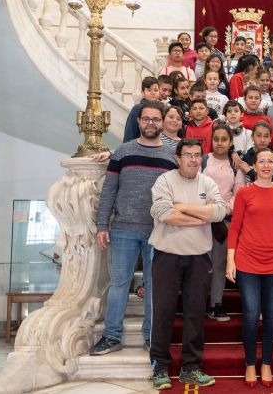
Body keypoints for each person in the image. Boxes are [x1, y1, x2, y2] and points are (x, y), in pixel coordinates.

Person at [91, 102, 177, 356]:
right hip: (123, 230)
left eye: (155, 119)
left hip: (158, 232)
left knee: (154, 287)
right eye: (146, 119)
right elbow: (109, 190)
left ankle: (152, 336)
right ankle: (111, 336)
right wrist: (101, 225)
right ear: (138, 122)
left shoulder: (171, 157)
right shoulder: (122, 152)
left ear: (162, 123)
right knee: (119, 284)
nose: (151, 123)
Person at [149, 138, 228, 390]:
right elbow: (166, 215)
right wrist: (200, 216)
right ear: (178, 157)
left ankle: (190, 367)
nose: (194, 159)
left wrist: (182, 207)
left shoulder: (207, 182)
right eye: (188, 155)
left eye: (197, 155)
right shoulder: (165, 181)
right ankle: (160, 366)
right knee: (163, 312)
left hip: (199, 257)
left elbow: (219, 212)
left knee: (195, 313)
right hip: (167, 256)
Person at [226, 148, 273, 388]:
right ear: (254, 165)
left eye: (270, 161)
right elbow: (234, 228)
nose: (266, 165)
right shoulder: (245, 193)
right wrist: (230, 260)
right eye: (261, 161)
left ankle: (266, 362)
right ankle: (249, 363)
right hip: (247, 261)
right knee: (251, 315)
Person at [201, 125, 246, 322]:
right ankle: (198, 302)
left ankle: (215, 304)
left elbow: (239, 193)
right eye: (216, 139)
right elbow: (196, 185)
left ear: (230, 142)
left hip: (224, 220)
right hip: (201, 218)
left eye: (224, 139)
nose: (219, 143)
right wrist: (206, 209)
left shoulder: (234, 164)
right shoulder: (203, 160)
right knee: (199, 265)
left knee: (219, 264)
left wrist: (222, 210)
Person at [123, 76, 160, 143]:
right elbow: (130, 132)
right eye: (149, 90)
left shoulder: (162, 108)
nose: (153, 93)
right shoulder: (137, 109)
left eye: (156, 90)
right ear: (142, 92)